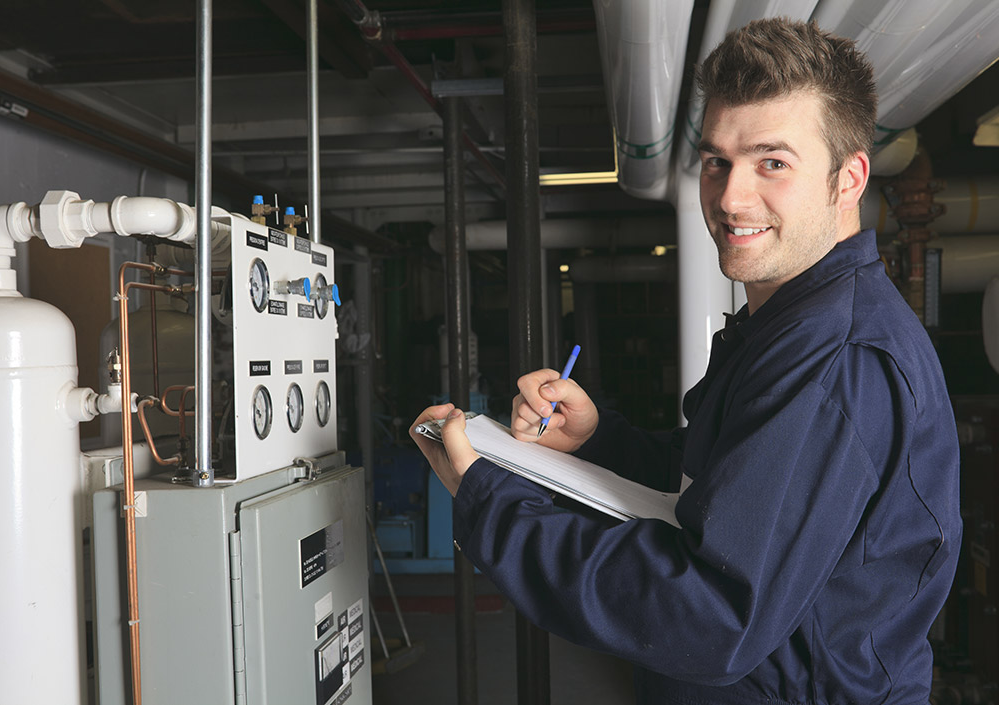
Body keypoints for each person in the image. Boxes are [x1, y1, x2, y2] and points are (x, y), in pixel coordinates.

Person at [410, 17, 961, 704]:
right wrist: (597, 442)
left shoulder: (834, 361)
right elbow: (725, 490)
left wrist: (491, 502)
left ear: (847, 179)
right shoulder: (789, 325)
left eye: (773, 162)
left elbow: (709, 615)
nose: (730, 197)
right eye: (716, 161)